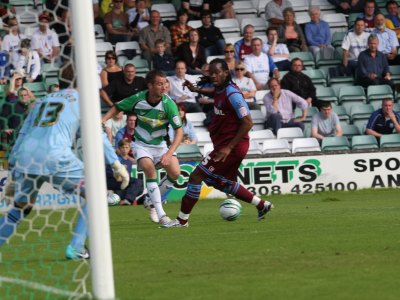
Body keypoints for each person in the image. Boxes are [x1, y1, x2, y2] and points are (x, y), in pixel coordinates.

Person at [0, 63, 130, 259]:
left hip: (27, 157)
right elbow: (97, 134)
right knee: (95, 194)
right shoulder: (82, 101)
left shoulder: (43, 100)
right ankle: (76, 247)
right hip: (55, 156)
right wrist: (116, 163)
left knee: (20, 208)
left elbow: (23, 133)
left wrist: (14, 170)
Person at [161, 58, 273, 228]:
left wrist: (229, 147)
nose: (213, 76)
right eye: (210, 73)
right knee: (221, 182)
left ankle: (182, 220)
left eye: (217, 73)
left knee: (196, 176)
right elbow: (215, 93)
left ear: (226, 73)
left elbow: (248, 122)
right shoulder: (221, 90)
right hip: (225, 145)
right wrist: (197, 89)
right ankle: (262, 205)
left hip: (231, 147)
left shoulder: (233, 94)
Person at [102, 69, 184, 225]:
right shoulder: (138, 99)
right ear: (150, 85)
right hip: (141, 145)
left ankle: (150, 200)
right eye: (159, 83)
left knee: (175, 174)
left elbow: (179, 131)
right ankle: (162, 216)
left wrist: (169, 153)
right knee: (150, 171)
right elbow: (117, 107)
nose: (164, 87)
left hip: (161, 145)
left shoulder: (169, 104)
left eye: (165, 83)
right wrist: (103, 119)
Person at [106, 139, 143, 205]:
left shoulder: (129, 162)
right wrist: (117, 175)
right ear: (119, 148)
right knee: (137, 182)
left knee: (139, 188)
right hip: (112, 180)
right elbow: (109, 171)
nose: (124, 150)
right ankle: (128, 199)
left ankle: (122, 198)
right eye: (123, 147)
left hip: (123, 182)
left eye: (126, 147)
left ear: (129, 149)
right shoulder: (116, 159)